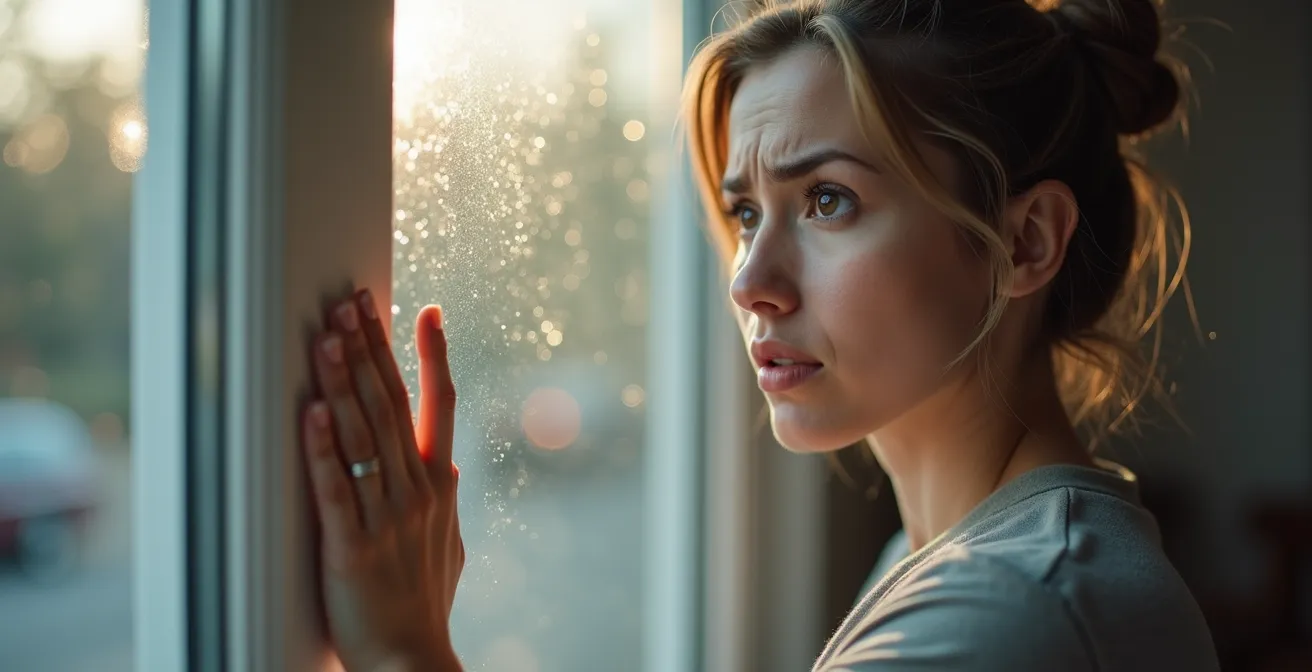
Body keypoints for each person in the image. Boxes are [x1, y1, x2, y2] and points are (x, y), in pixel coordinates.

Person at [298, 0, 1221, 670]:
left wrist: (401, 651)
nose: (750, 284)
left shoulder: (1008, 615)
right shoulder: (947, 558)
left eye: (828, 200)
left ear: (1024, 242)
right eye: (746, 213)